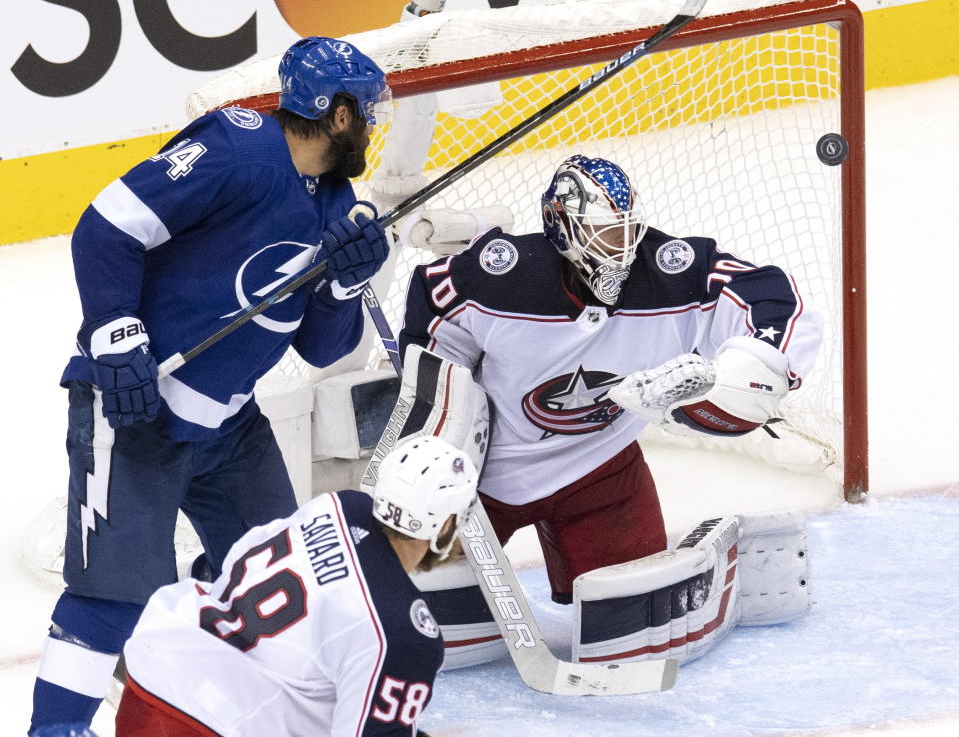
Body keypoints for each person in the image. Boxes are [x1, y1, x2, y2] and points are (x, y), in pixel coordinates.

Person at [30, 37, 393, 736]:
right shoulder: (237, 147)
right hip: (134, 410)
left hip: (228, 427)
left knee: (275, 577)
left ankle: (186, 692)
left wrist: (346, 283)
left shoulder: (335, 205)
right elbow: (106, 225)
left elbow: (322, 348)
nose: (373, 128)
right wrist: (114, 331)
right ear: (338, 115)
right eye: (367, 114)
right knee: (113, 592)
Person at [399, 154, 822, 606]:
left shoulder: (672, 272)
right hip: (483, 479)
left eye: (626, 229)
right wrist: (443, 424)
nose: (620, 247)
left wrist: (749, 371)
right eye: (603, 231)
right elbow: (431, 310)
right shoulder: (499, 276)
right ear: (560, 225)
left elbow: (775, 298)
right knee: (420, 607)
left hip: (601, 473)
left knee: (632, 612)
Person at [114, 436, 478, 736]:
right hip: (208, 725)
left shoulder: (338, 505)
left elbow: (241, 555)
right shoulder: (404, 632)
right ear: (443, 525)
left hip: (156, 670)